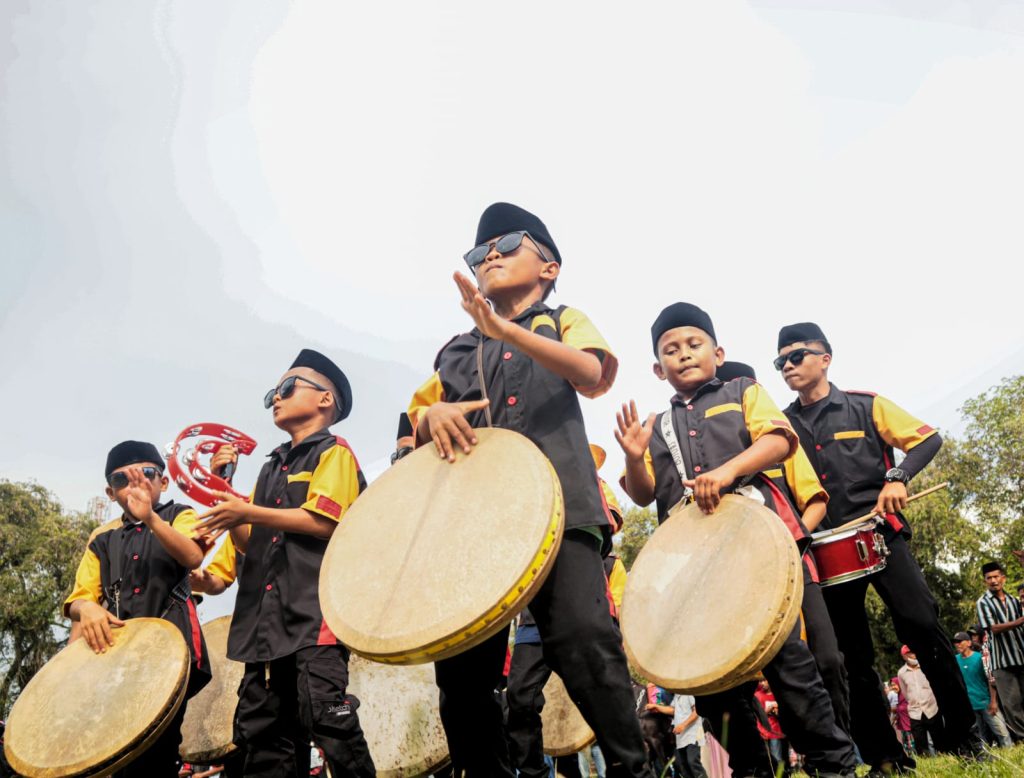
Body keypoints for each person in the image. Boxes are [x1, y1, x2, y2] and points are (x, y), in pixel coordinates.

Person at [407, 202, 652, 777]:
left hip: (562, 509)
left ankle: (631, 768)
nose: (489, 254)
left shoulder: (562, 318)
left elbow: (592, 374)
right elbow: (412, 429)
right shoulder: (453, 352)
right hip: (473, 526)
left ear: (550, 267)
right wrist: (431, 417)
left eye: (507, 242)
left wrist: (508, 331)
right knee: (464, 673)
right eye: (479, 251)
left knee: (585, 642)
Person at [617, 302, 856, 777]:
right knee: (713, 684)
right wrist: (631, 456)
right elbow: (645, 495)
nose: (683, 354)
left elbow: (779, 440)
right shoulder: (657, 426)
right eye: (671, 350)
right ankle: (750, 770)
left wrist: (727, 472)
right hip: (695, 569)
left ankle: (834, 765)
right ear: (657, 368)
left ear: (718, 352)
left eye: (694, 344)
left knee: (790, 665)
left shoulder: (743, 390)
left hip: (756, 553)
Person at [775, 321, 983, 764]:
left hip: (881, 534)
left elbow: (928, 439)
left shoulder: (865, 406)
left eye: (797, 356)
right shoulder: (781, 429)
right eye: (781, 361)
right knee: (853, 658)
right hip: (825, 550)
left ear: (825, 358)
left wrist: (898, 476)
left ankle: (965, 739)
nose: (788, 365)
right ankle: (887, 759)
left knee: (924, 626)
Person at [197, 349, 375, 777]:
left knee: (329, 715)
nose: (276, 398)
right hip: (264, 627)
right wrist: (227, 490)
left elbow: (322, 520)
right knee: (263, 733)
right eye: (272, 394)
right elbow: (248, 544)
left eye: (287, 388)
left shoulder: (334, 453)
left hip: (315, 622)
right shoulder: (271, 467)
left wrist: (247, 511)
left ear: (324, 400)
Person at [717, 360, 852, 738]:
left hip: (795, 566)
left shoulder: (781, 448)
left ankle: (842, 745)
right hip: (743, 579)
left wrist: (786, 543)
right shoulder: (707, 467)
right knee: (770, 671)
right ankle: (806, 752)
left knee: (826, 658)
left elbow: (816, 502)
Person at [64, 441, 212, 776]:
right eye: (122, 480)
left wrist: (151, 519)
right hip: (121, 657)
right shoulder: (103, 537)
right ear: (109, 492)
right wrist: (87, 609)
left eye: (147, 474)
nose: (136, 484)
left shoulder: (180, 515)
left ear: (164, 483)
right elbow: (79, 598)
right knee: (121, 751)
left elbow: (192, 556)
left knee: (157, 745)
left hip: (174, 652)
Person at [976, 561, 1024, 741]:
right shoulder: (983, 602)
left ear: (1003, 578)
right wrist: (1020, 621)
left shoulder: (1014, 600)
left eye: (996, 576)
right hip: (1001, 661)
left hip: (1021, 656)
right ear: (985, 581)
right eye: (989, 578)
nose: (993, 581)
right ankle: (1022, 740)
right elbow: (992, 628)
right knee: (1012, 706)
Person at [954, 631, 1012, 747]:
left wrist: (993, 701)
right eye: (955, 642)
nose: (957, 644)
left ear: (969, 643)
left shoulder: (980, 658)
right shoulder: (955, 660)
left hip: (985, 702)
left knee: (1002, 733)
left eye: (960, 641)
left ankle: (1011, 755)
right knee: (981, 739)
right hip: (969, 707)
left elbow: (991, 680)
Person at [897, 646, 942, 756]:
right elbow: (905, 692)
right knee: (920, 746)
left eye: (914, 652)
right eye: (910, 653)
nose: (913, 655)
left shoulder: (926, 666)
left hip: (932, 708)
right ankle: (927, 766)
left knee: (940, 742)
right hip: (915, 712)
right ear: (904, 656)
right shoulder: (902, 673)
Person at [753, 680, 788, 774]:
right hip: (762, 732)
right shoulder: (757, 695)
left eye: (764, 680)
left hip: (777, 732)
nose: (762, 683)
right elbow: (755, 714)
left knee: (778, 758)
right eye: (760, 681)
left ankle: (781, 774)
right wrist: (766, 711)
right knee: (766, 758)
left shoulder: (778, 694)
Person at [670, 693, 707, 778]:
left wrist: (683, 725)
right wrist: (656, 707)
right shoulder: (676, 695)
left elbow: (697, 711)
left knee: (693, 762)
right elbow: (673, 710)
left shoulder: (689, 693)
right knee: (683, 766)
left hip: (693, 734)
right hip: (681, 737)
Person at [888, 678, 913, 752]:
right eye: (891, 686)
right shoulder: (899, 697)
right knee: (907, 750)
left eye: (894, 685)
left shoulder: (906, 696)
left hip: (910, 728)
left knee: (912, 750)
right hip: (903, 729)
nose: (892, 687)